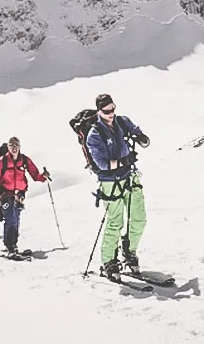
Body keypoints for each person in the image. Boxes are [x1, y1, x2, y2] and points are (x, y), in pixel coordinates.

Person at [84, 93, 151, 280]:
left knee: (139, 218)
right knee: (115, 222)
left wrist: (141, 137)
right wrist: (124, 161)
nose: (111, 113)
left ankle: (129, 252)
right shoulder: (94, 135)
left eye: (113, 108)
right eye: (106, 111)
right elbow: (102, 164)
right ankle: (108, 261)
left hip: (130, 176)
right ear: (99, 111)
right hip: (110, 182)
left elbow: (136, 131)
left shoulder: (122, 122)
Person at [0, 136, 51, 256]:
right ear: (8, 147)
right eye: (11, 145)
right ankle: (10, 247)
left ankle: (13, 245)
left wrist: (43, 177)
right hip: (6, 194)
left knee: (16, 220)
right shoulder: (3, 161)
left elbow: (35, 174)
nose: (14, 147)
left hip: (19, 195)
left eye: (16, 145)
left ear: (19, 147)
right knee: (10, 219)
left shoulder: (24, 160)